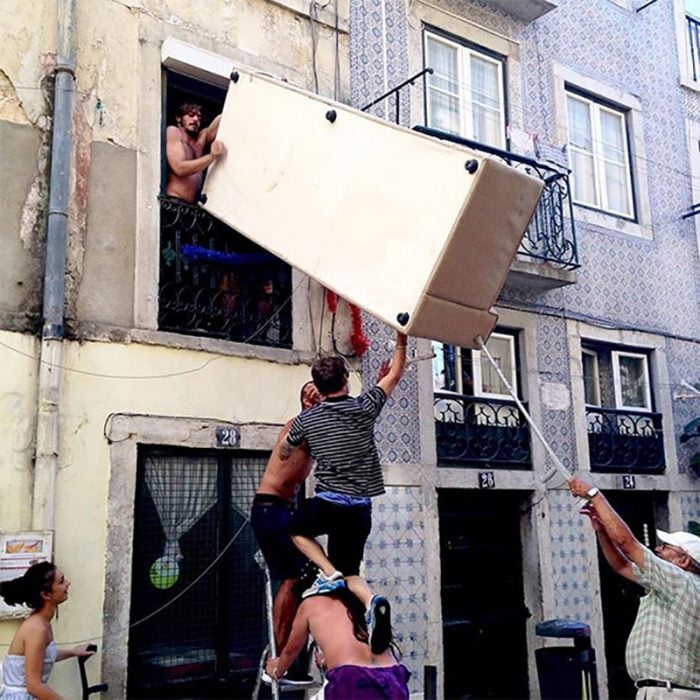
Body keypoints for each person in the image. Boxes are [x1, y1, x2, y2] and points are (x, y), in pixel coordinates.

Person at [281, 331, 407, 653]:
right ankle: (372, 600)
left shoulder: (308, 419)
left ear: (319, 388)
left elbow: (285, 450)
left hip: (328, 504)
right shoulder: (365, 407)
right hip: (360, 509)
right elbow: (394, 373)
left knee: (293, 527)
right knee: (352, 572)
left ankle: (327, 571)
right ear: (346, 381)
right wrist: (401, 339)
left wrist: (294, 442)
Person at [569, 477, 700, 697]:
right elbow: (622, 566)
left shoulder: (681, 582)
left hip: (670, 693)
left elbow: (628, 544)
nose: (658, 550)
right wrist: (602, 531)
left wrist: (595, 494)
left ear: (684, 561)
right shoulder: (669, 585)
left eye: (666, 548)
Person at [250, 381, 321, 657]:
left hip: (281, 510)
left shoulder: (316, 428)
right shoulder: (298, 426)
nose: (313, 397)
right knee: (294, 576)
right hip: (271, 509)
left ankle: (296, 648)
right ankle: (280, 656)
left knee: (312, 566)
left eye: (318, 393)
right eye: (308, 394)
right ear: (303, 401)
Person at [265, 587, 410, 699]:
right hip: (393, 679)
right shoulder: (363, 600)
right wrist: (328, 662)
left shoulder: (311, 604)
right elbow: (360, 654)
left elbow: (292, 649)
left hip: (351, 680)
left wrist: (277, 670)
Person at [0, 561, 94, 699]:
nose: (68, 583)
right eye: (61, 581)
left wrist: (74, 652)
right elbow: (34, 686)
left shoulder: (41, 622)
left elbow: (41, 657)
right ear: (46, 594)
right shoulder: (37, 628)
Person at [165, 101, 224, 204]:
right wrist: (212, 157)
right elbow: (179, 168)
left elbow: (222, 120)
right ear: (179, 118)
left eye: (199, 117)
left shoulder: (199, 141)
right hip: (174, 203)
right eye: (191, 115)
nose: (196, 119)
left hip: (192, 208)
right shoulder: (174, 132)